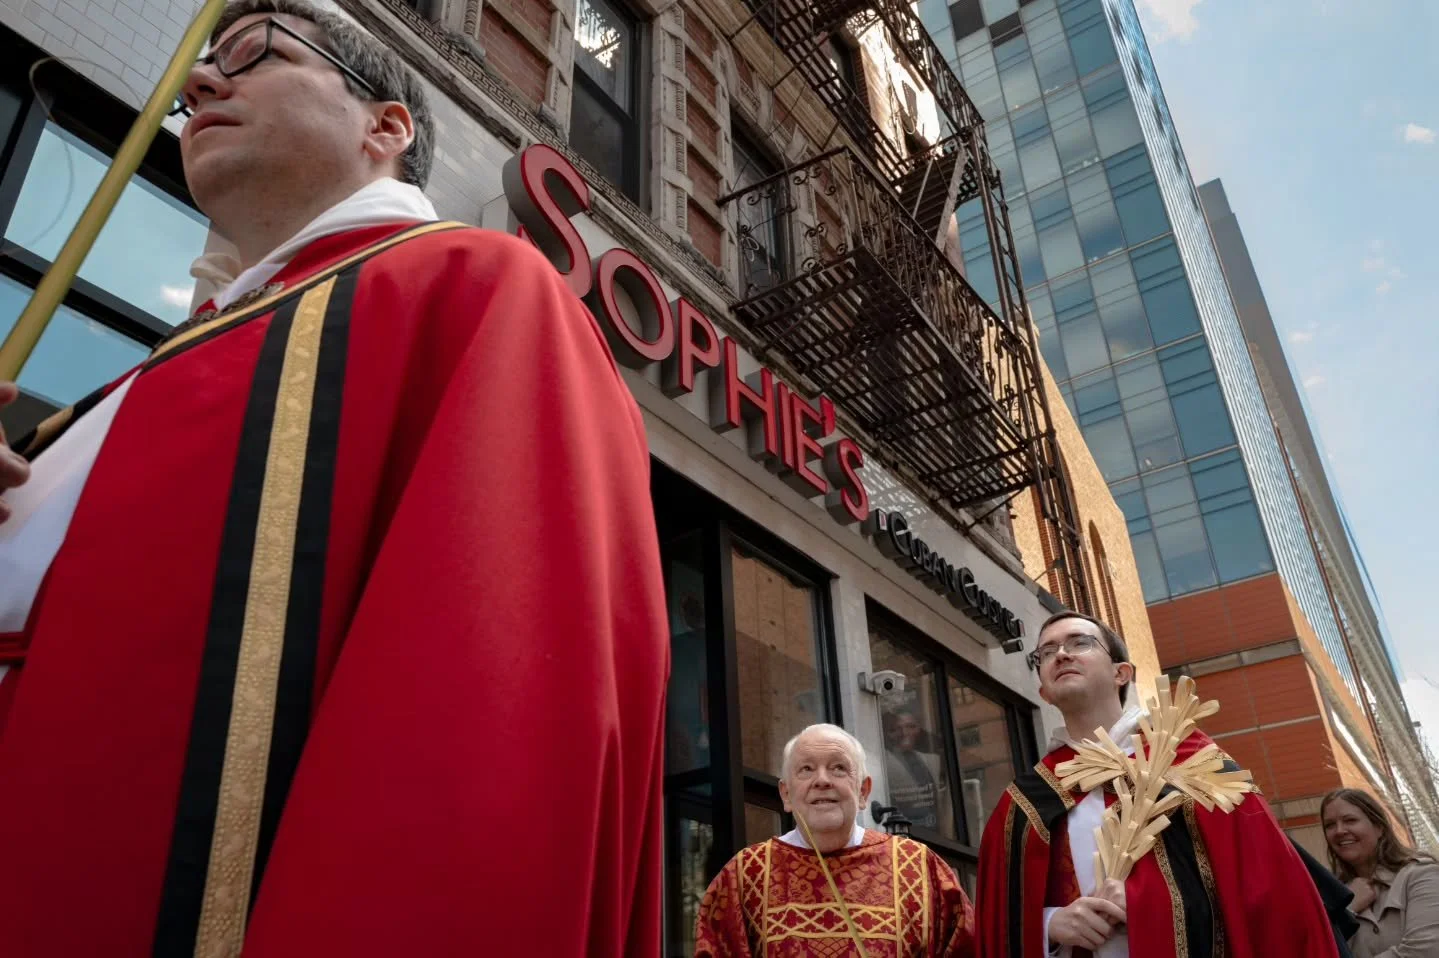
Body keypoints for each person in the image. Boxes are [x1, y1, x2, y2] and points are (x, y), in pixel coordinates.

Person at [0, 1, 669, 955]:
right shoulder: (159, 377)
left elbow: (487, 736)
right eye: (199, 72)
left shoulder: (477, 289)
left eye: (255, 54)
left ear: (386, 126)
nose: (200, 82)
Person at [975, 611, 1338, 958]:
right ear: (1044, 693)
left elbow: (1269, 893)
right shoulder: (1025, 802)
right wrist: (1048, 925)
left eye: (1079, 642)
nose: (1062, 654)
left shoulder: (1194, 760)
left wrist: (1146, 904)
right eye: (1047, 652)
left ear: (1121, 673)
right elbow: (995, 922)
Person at [694, 723, 975, 956]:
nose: (822, 780)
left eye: (838, 768)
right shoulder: (746, 874)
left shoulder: (919, 868)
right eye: (806, 769)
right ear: (786, 794)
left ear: (863, 791)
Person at [1322, 787, 1439, 957]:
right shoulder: (1329, 898)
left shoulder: (1421, 875)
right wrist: (1348, 911)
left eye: (1350, 820)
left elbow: (1427, 951)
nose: (1339, 831)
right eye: (1330, 825)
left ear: (1379, 827)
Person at [884, 708, 949, 833]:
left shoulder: (933, 761)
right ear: (889, 733)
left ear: (919, 729)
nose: (904, 733)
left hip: (935, 833)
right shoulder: (882, 762)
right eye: (897, 728)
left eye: (910, 726)